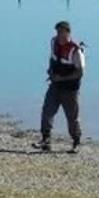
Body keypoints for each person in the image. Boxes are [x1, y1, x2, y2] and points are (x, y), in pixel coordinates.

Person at [35, 20, 85, 153]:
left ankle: (76, 142)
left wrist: (62, 78)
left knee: (72, 117)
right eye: (58, 32)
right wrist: (50, 71)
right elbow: (52, 58)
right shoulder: (54, 42)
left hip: (70, 89)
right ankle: (46, 140)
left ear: (68, 33)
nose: (59, 35)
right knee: (47, 112)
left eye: (62, 32)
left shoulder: (75, 50)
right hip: (55, 85)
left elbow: (80, 72)